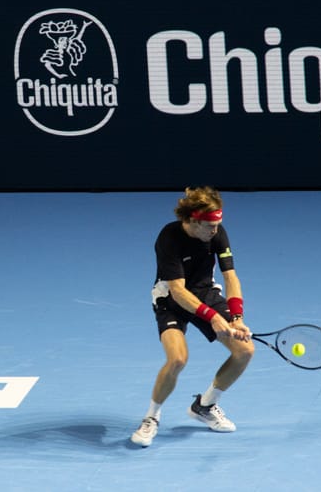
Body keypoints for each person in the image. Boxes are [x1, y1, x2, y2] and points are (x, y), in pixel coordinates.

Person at [131, 187, 255, 448]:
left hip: (205, 293)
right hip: (171, 299)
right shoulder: (169, 238)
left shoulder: (217, 232)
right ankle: (151, 417)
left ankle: (205, 405)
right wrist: (212, 317)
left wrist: (237, 316)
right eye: (210, 226)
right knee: (177, 359)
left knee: (244, 350)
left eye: (218, 225)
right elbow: (177, 290)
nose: (215, 231)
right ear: (193, 221)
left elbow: (230, 277)